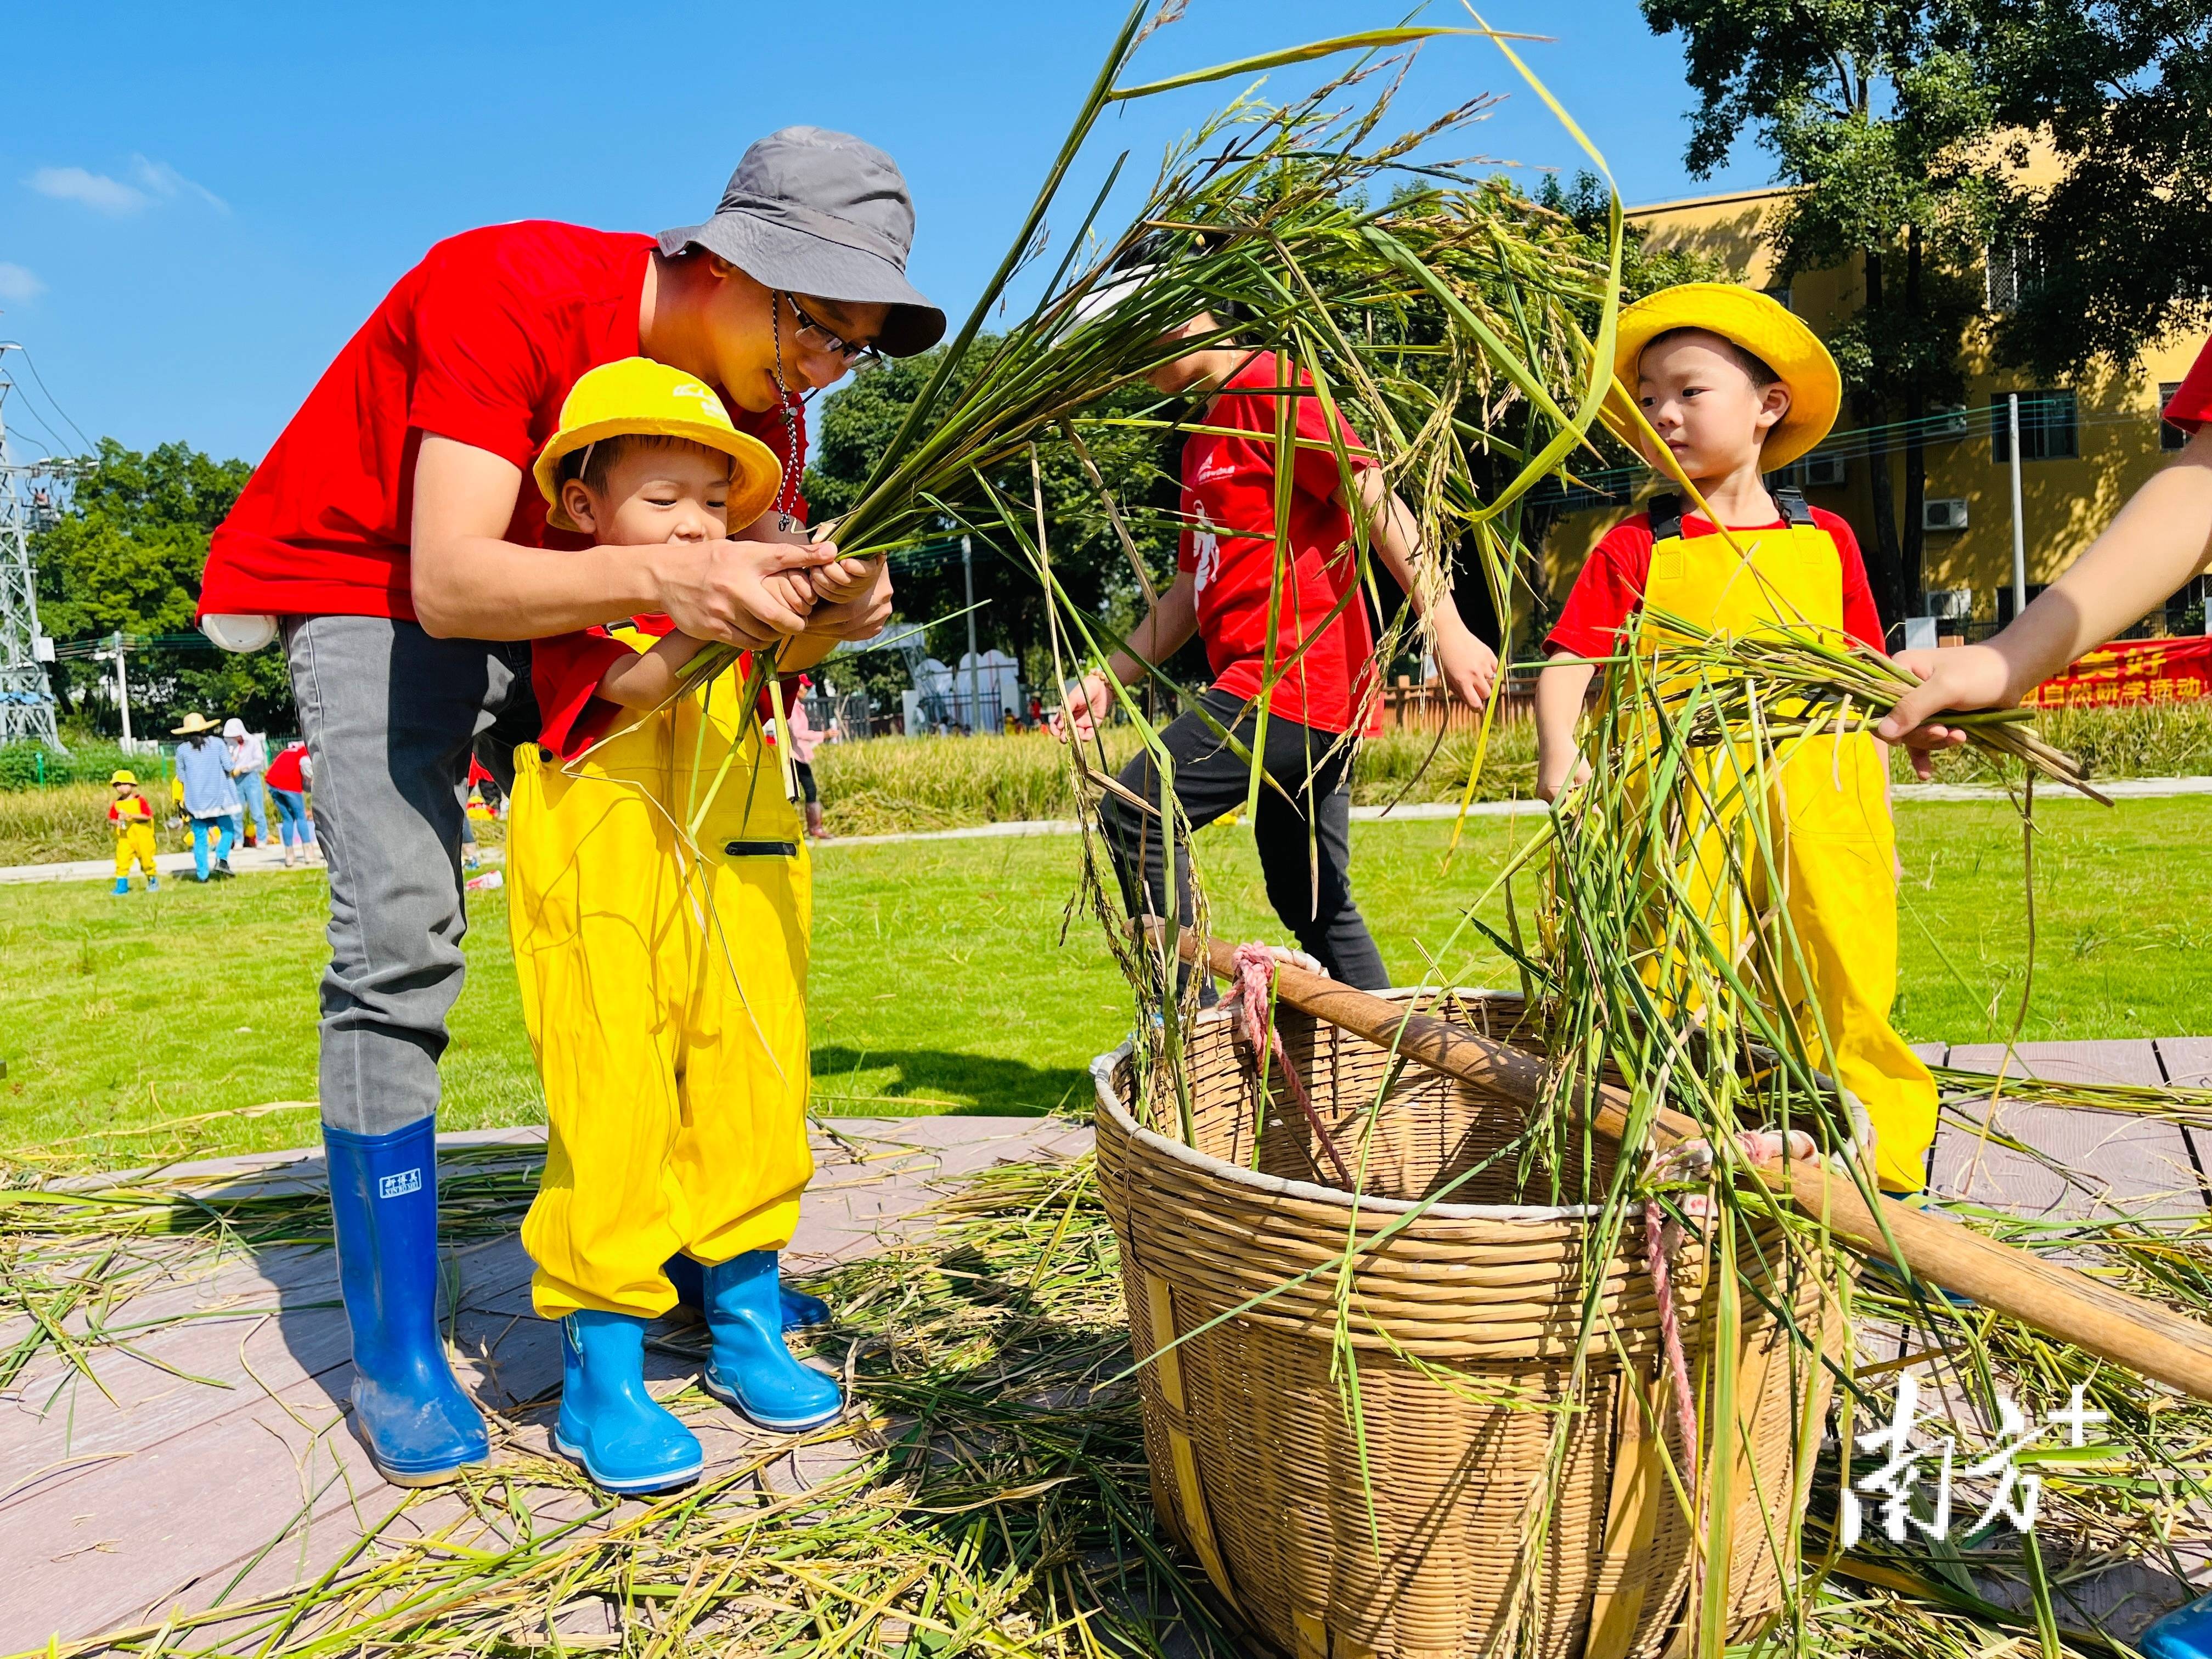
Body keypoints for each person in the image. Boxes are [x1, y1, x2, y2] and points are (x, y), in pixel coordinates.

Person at [193, 128, 938, 1488]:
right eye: (819, 329)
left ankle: (702, 1265)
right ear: (728, 263)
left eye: (856, 348)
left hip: (590, 610)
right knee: (404, 942)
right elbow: (454, 584)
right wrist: (673, 582)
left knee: (678, 951)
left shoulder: (760, 400)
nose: (826, 375)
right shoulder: (511, 285)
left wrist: (835, 610)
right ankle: (400, 1349)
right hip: (379, 584)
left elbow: (749, 622)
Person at [509, 359, 842, 1493]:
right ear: (583, 509)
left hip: (739, 848)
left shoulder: (736, 600)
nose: (698, 524)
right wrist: (733, 606)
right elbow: (639, 688)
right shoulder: (563, 596)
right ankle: (603, 1361)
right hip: (602, 855)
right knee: (615, 1092)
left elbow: (803, 654)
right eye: (666, 500)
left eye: (716, 501)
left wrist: (838, 598)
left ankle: (744, 1319)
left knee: (753, 1072)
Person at [1532, 283, 1934, 1196]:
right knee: (1680, 968)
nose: (1660, 414)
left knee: (1840, 956)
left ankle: (1871, 1148)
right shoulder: (1636, 543)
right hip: (1681, 806)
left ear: (1768, 407)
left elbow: (1863, 684)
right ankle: (1691, 1129)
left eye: (1687, 391)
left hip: (1819, 802)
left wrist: (1882, 827)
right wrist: (1563, 758)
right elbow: (1567, 662)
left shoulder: (1825, 539)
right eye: (1644, 397)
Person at [1058, 311, 1497, 991]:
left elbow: (1373, 497)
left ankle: (1190, 1036)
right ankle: (1384, 1063)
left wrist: (1447, 625)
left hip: (1295, 679)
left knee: (1139, 808)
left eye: (1129, 340)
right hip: (1277, 687)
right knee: (1310, 899)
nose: (1126, 367)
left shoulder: (1274, 385)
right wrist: (1108, 676)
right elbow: (1188, 587)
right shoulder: (1200, 439)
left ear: (1182, 315)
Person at [172, 712, 242, 882]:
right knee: (228, 830)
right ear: (205, 729)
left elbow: (181, 777)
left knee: (200, 839)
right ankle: (222, 858)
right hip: (220, 798)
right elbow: (229, 766)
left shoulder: (182, 750)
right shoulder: (217, 744)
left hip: (195, 801)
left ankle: (202, 874)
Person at [786, 675, 831, 839]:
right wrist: (823, 735)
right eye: (803, 687)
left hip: (798, 755)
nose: (805, 690)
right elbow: (798, 733)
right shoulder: (793, 707)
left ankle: (812, 828)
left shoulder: (797, 706)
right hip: (794, 757)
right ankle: (814, 829)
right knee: (801, 792)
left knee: (796, 793)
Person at [264, 738, 317, 866]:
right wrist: (313, 781)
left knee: (287, 818)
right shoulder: (305, 752)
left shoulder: (290, 750)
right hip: (289, 784)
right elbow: (305, 766)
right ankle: (309, 854)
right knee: (301, 817)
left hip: (272, 782)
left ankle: (289, 856)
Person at [108, 770, 160, 894]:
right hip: (125, 838)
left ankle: (153, 881)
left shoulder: (140, 800)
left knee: (147, 861)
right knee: (122, 861)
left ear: (132, 785)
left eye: (125, 784)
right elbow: (111, 819)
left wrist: (131, 815)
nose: (122, 787)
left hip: (143, 838)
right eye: (118, 784)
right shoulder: (117, 804)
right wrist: (117, 822)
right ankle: (122, 886)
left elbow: (148, 816)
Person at [224, 718, 269, 848]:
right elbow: (228, 759)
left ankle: (262, 838)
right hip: (236, 779)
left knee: (257, 810)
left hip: (251, 777)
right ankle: (238, 840)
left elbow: (259, 760)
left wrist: (244, 768)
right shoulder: (231, 745)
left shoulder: (253, 742)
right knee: (237, 811)